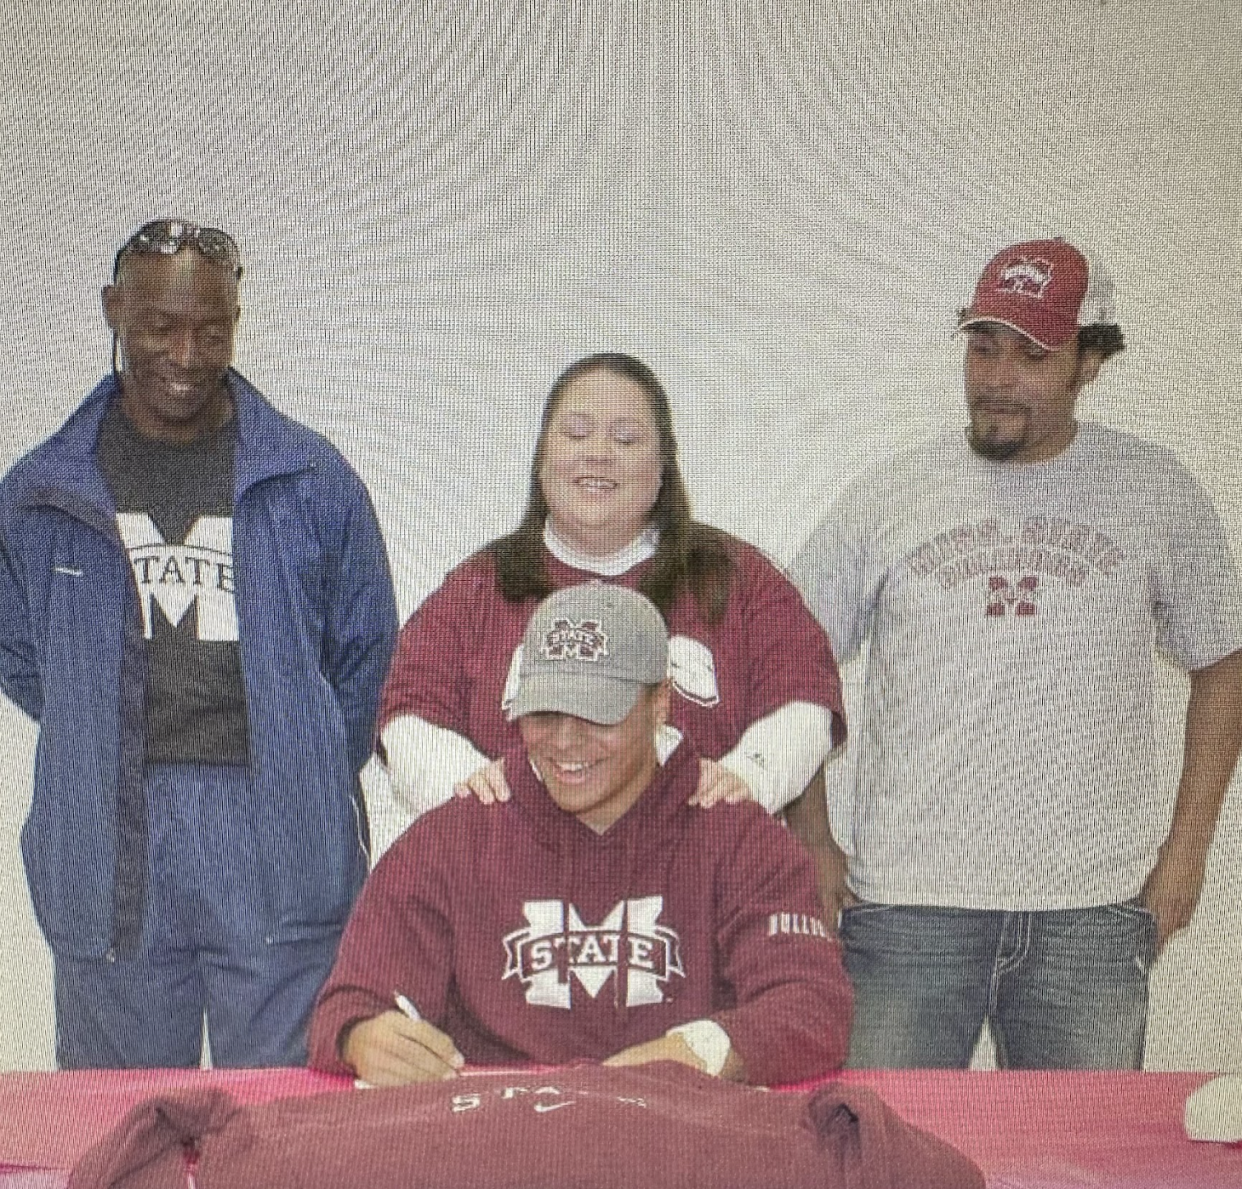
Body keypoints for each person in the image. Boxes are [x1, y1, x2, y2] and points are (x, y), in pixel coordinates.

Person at [791, 236, 1242, 1070]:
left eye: (1033, 354)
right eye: (983, 347)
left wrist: (1187, 848)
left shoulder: (1153, 489)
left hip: (1091, 912)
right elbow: (790, 661)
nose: (997, 377)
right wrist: (811, 836)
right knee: (882, 1150)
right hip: (907, 910)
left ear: (1089, 363)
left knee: (1081, 1163)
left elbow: (1225, 659)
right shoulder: (893, 494)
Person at [0, 219, 398, 1068]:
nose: (185, 353)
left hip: (276, 829)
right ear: (114, 311)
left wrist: (305, 757)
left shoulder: (310, 479)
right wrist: (101, 725)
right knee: (124, 1121)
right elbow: (25, 657)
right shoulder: (39, 493)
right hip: (110, 835)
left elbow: (366, 655)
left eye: (211, 330)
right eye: (160, 327)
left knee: (289, 1123)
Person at [309, 583, 852, 1087]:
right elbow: (349, 1002)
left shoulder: (738, 837)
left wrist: (692, 1053)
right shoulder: (450, 840)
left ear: (661, 701)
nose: (566, 741)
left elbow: (812, 1006)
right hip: (502, 1142)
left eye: (597, 714)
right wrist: (362, 1037)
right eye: (544, 712)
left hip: (681, 1142)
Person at [378, 351, 844, 866]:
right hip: (517, 880)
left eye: (626, 439)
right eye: (576, 434)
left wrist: (743, 783)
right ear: (541, 458)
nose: (598, 454)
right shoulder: (477, 589)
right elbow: (409, 710)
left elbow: (803, 698)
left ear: (662, 467)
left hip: (700, 874)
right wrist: (477, 796)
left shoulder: (736, 576)